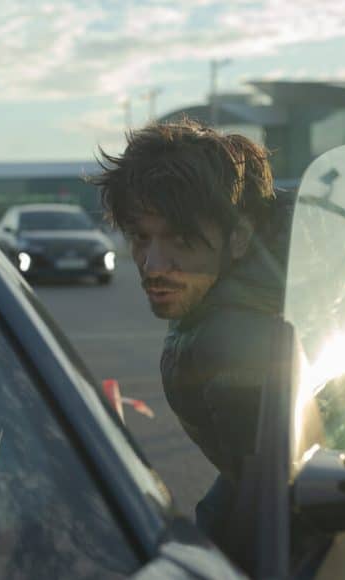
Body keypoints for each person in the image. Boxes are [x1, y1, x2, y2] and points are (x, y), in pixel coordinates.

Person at [91, 118, 294, 549]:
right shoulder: (277, 289)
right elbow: (250, 485)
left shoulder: (233, 342)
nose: (152, 265)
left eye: (182, 239)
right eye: (141, 238)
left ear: (239, 238)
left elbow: (287, 502)